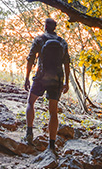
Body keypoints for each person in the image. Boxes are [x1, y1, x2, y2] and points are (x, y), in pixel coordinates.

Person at [24, 18, 70, 153]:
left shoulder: (39, 39)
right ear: (55, 28)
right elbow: (67, 63)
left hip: (41, 77)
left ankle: (29, 133)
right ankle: (51, 145)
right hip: (57, 78)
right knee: (53, 111)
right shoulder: (62, 42)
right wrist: (66, 81)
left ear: (45, 26)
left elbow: (31, 58)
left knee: (30, 102)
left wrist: (27, 78)